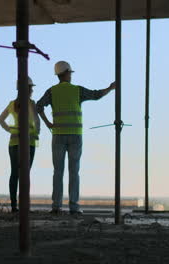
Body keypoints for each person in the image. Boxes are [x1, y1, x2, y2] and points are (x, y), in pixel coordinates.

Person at [36, 61, 115, 215]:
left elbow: (39, 106)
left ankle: (56, 207)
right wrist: (110, 88)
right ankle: (74, 207)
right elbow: (96, 95)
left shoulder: (52, 91)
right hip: (75, 136)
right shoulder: (77, 90)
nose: (71, 75)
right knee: (74, 171)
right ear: (66, 73)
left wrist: (47, 123)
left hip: (58, 135)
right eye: (70, 73)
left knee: (58, 171)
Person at [0, 77, 40, 212]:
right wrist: (36, 133)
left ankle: (14, 206)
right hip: (29, 143)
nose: (32, 90)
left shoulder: (12, 104)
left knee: (14, 174)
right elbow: (37, 122)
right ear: (26, 89)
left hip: (14, 142)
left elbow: (0, 120)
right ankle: (23, 205)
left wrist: (10, 129)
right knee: (25, 175)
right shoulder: (31, 103)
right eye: (30, 88)